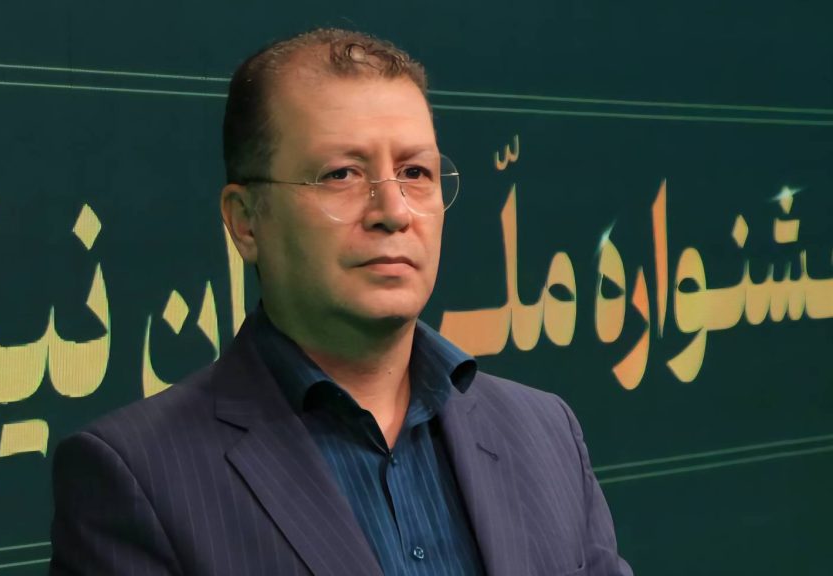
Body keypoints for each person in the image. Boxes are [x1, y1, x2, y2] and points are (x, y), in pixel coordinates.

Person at [50, 28, 633, 576]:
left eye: (415, 172)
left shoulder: (545, 432)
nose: (393, 212)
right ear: (246, 221)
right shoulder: (137, 476)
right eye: (342, 174)